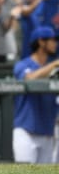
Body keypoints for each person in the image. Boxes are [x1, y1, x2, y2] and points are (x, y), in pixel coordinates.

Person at [13, 26, 59, 163]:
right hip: (26, 131)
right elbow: (29, 78)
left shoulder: (54, 68)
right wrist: (54, 65)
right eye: (53, 40)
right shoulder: (23, 64)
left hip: (47, 132)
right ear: (41, 42)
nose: (55, 43)